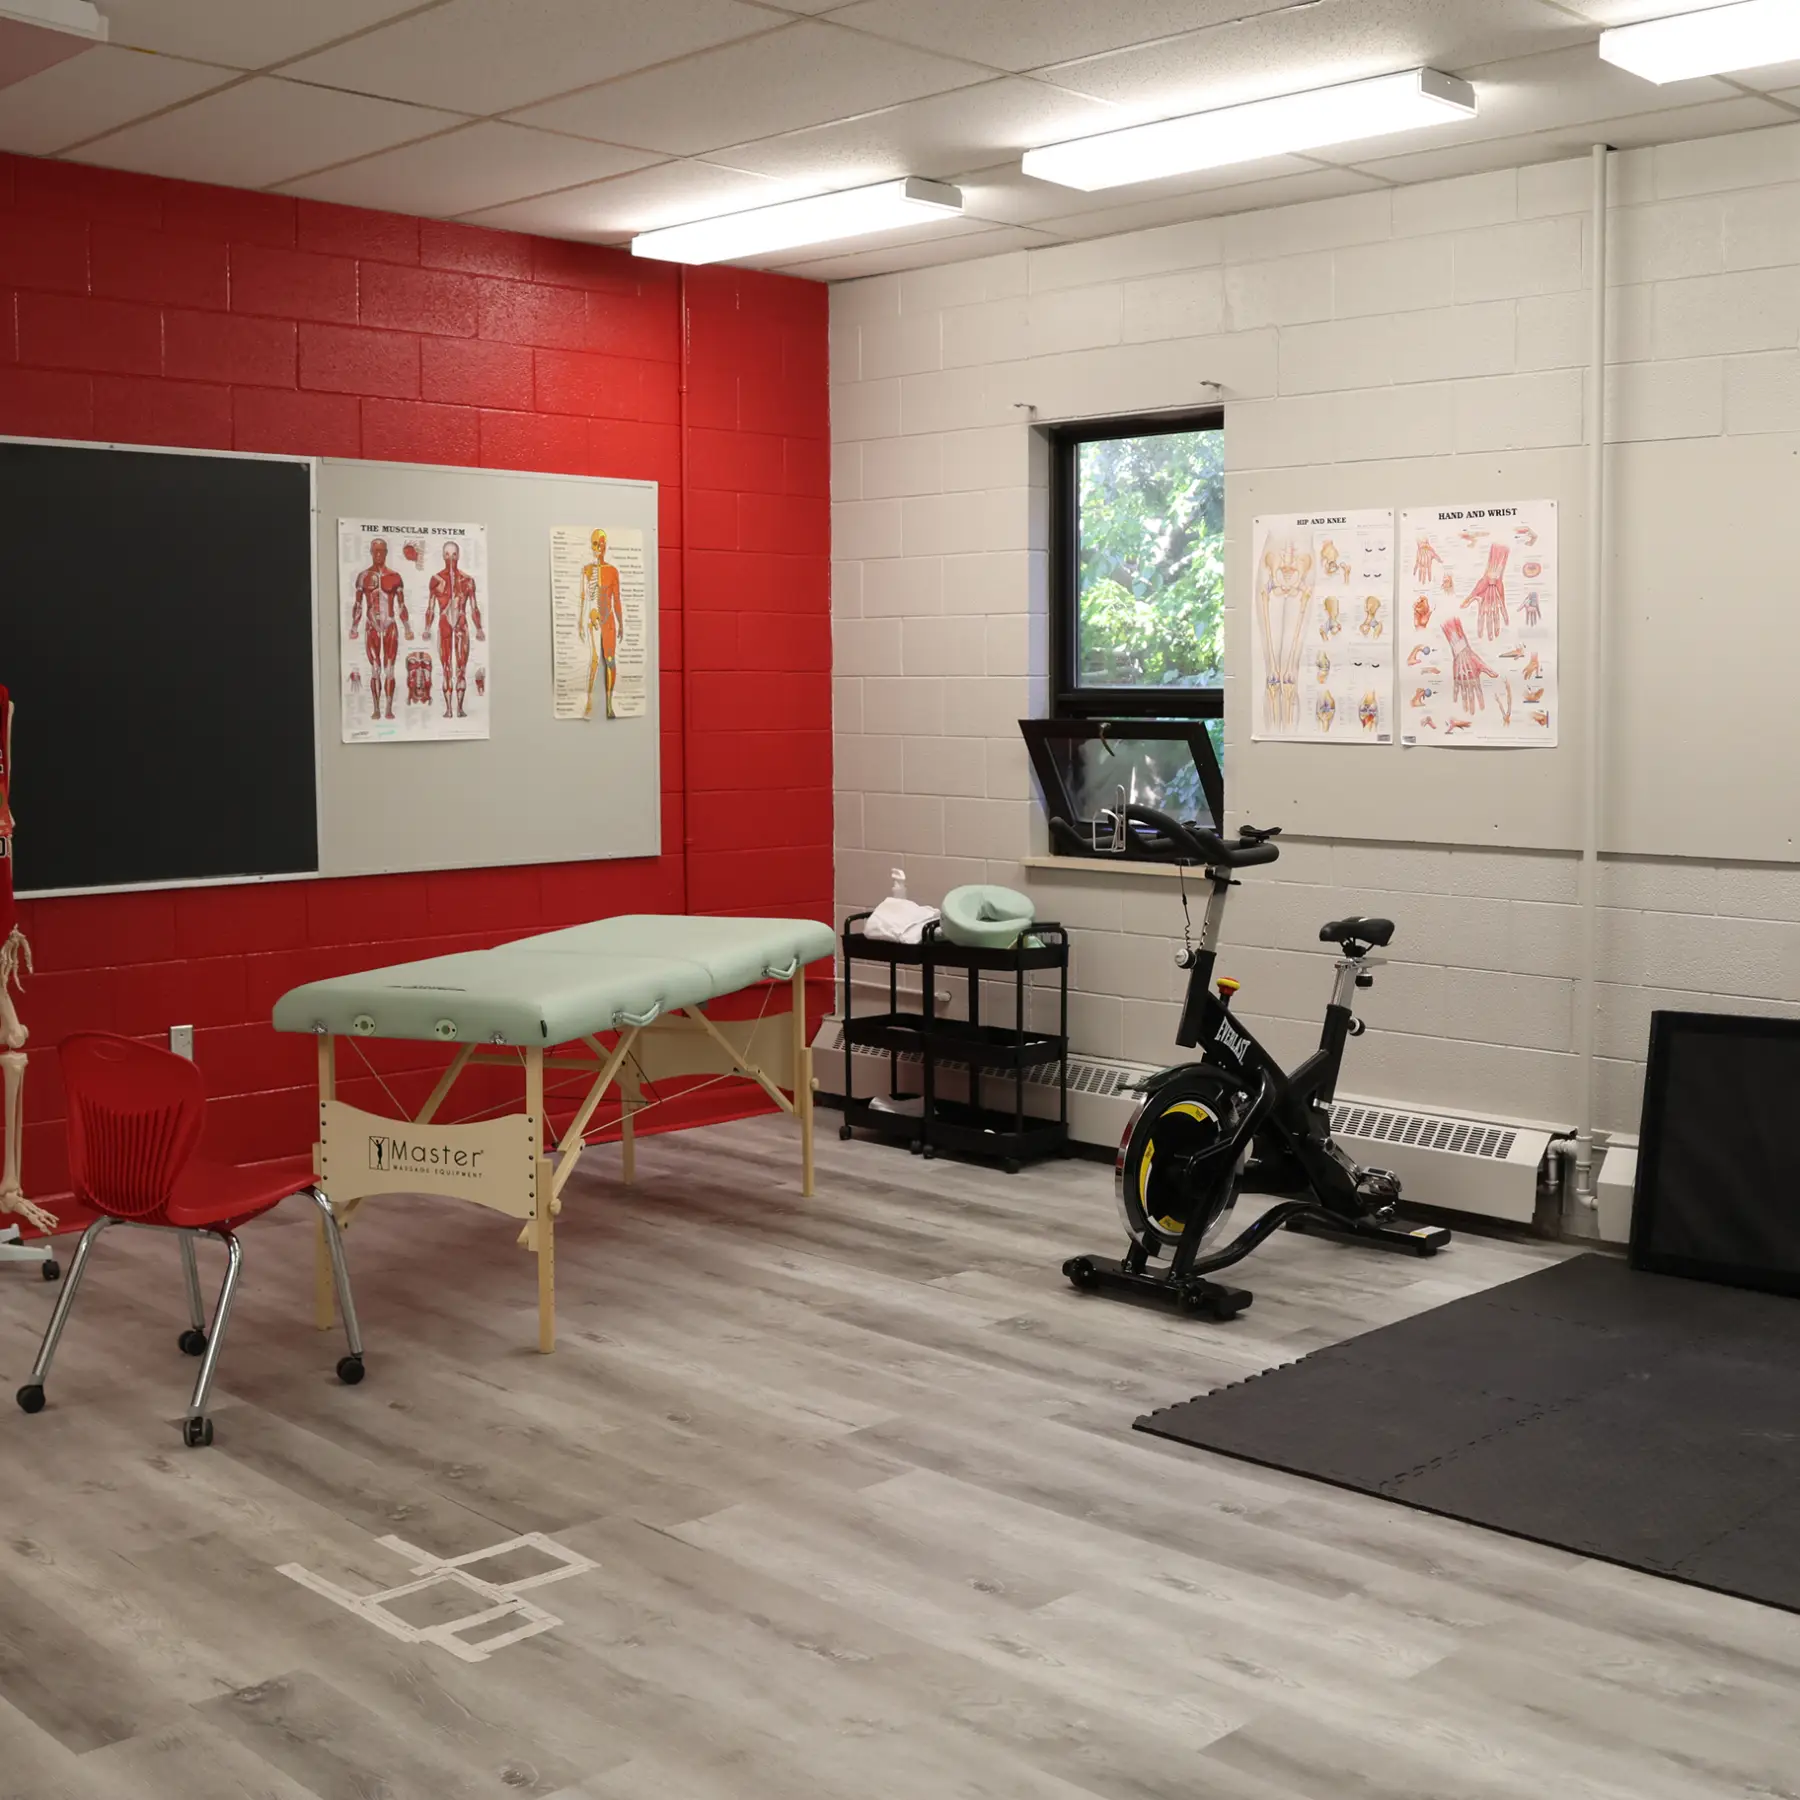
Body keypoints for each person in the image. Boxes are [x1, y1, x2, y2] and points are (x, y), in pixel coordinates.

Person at [349, 538, 412, 721]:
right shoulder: (363, 576)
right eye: (375, 551)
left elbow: (401, 605)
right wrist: (354, 626)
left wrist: (407, 627)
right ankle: (376, 709)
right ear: (370, 552)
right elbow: (358, 604)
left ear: (386, 553)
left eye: (381, 551)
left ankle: (389, 709)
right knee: (375, 668)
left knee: (390, 669)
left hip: (390, 624)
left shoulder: (395, 577)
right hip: (372, 626)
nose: (378, 554)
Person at [424, 540, 485, 720]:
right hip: (444, 624)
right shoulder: (436, 580)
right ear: (443, 556)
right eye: (447, 554)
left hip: (461, 625)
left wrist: (479, 628)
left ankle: (459, 708)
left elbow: (474, 607)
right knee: (446, 668)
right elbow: (430, 607)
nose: (451, 558)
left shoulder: (467, 580)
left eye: (454, 554)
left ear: (459, 556)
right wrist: (427, 628)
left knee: (461, 668)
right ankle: (449, 709)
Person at [581, 529, 623, 720]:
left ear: (606, 546)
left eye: (601, 543)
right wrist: (582, 622)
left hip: (608, 621)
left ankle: (609, 705)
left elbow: (617, 600)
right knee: (594, 660)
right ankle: (589, 702)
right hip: (594, 620)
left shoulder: (613, 571)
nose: (598, 548)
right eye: (595, 544)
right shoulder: (587, 570)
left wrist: (621, 623)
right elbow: (584, 598)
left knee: (610, 660)